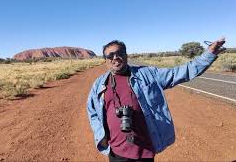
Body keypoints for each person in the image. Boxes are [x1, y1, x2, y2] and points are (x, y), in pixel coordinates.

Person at [86, 38, 225, 162]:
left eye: (119, 53)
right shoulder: (100, 84)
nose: (115, 58)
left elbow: (181, 72)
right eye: (110, 55)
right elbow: (92, 112)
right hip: (116, 150)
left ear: (126, 55)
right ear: (105, 60)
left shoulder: (147, 74)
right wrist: (101, 136)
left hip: (144, 149)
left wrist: (209, 54)